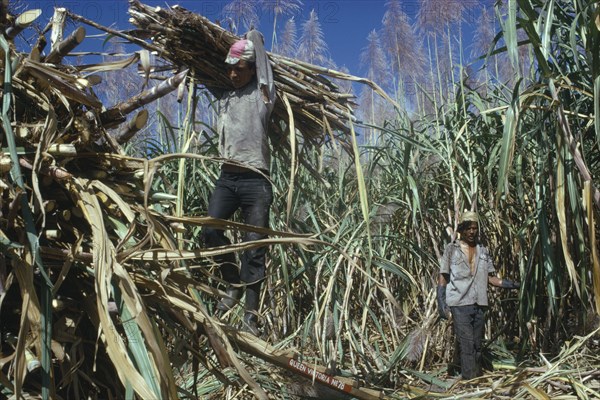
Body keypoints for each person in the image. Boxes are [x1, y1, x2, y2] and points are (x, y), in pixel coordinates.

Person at [203, 30, 276, 336]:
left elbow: (261, 57)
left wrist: (252, 38)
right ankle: (232, 283)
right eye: (229, 68)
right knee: (209, 230)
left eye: (239, 68)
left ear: (252, 70)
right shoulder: (225, 98)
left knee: (254, 249)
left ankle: (251, 316)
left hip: (256, 181)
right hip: (228, 178)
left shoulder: (263, 95)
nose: (233, 74)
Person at [436, 211, 519, 379]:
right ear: (462, 229)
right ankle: (470, 380)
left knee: (476, 344)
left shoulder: (483, 250)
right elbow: (443, 276)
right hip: (459, 303)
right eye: (469, 228)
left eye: (475, 228)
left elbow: (491, 278)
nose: (472, 232)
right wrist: (441, 301)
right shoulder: (452, 249)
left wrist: (513, 284)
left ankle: (476, 375)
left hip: (479, 302)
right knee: (467, 344)